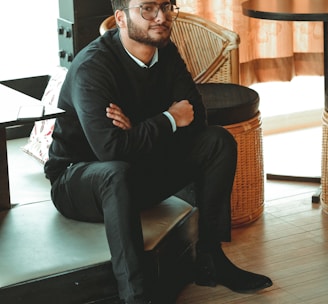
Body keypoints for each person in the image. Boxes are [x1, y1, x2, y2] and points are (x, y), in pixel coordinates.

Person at [44, 0, 272, 303]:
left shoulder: (166, 53)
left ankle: (210, 260)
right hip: (78, 182)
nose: (161, 17)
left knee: (217, 142)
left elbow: (196, 119)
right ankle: (136, 295)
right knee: (114, 172)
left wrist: (137, 127)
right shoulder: (93, 67)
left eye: (166, 6)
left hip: (137, 167)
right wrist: (168, 118)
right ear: (121, 19)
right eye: (148, 8)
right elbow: (109, 149)